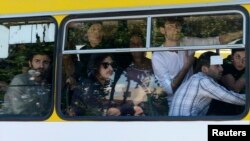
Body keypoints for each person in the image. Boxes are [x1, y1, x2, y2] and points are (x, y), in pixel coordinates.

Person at [152, 16, 243, 108]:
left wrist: (243, 32)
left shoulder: (187, 42)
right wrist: (186, 67)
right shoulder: (158, 56)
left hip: (196, 98)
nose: (176, 29)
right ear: (162, 30)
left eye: (178, 26)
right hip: (175, 104)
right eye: (171, 26)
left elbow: (217, 41)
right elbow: (169, 90)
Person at [168, 51, 246, 116]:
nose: (222, 69)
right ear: (205, 69)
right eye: (217, 66)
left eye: (221, 65)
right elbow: (235, 99)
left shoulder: (196, 78)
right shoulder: (203, 81)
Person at [112, 34, 168, 116]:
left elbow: (164, 88)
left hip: (158, 114)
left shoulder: (155, 63)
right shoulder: (126, 72)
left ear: (145, 46)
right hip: (135, 115)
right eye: (133, 44)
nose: (136, 46)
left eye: (139, 43)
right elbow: (118, 99)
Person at [1, 49, 52, 116]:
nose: (41, 66)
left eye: (45, 62)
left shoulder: (46, 84)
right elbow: (18, 111)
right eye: (37, 61)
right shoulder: (20, 80)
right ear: (30, 63)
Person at [207, 48, 246, 115]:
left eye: (245, 58)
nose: (241, 62)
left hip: (238, 109)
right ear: (232, 57)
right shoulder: (224, 66)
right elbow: (234, 88)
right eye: (238, 57)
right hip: (221, 112)